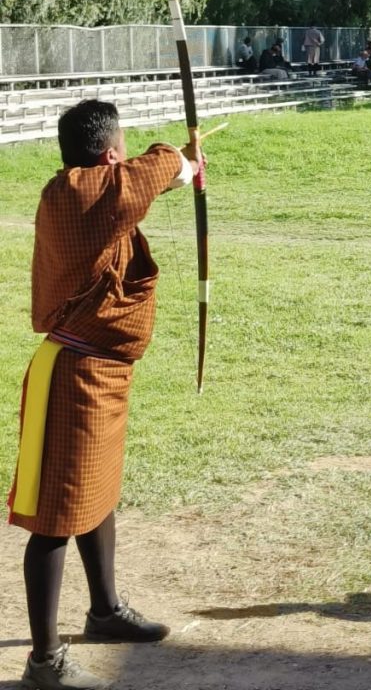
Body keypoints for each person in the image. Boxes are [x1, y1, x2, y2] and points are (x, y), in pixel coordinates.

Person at [7, 100, 201, 690]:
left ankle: (104, 611)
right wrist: (185, 164)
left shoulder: (89, 196)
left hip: (101, 374)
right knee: (56, 518)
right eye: (123, 146)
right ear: (111, 153)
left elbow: (129, 193)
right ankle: (44, 662)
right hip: (74, 377)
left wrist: (181, 173)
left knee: (96, 494)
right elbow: (146, 174)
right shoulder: (78, 196)